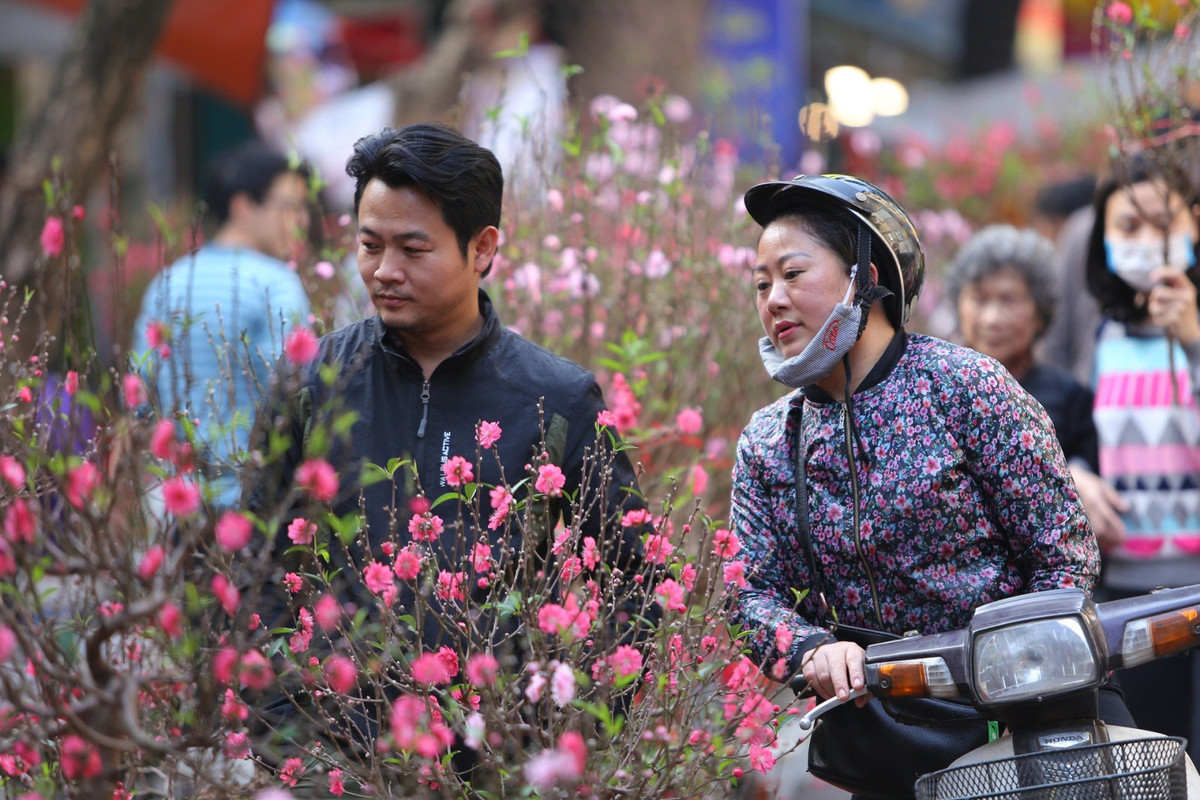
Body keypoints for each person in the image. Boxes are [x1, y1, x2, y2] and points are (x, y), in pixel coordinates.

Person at [244, 122, 646, 760]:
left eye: (413, 248)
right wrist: (283, 726)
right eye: (369, 245)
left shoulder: (557, 400)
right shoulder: (314, 383)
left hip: (497, 759)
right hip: (334, 757)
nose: (384, 271)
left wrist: (572, 728)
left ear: (482, 249)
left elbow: (638, 582)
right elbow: (254, 560)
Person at [728, 174, 1127, 798]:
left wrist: (1020, 671)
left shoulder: (966, 387)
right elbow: (749, 592)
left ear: (865, 277)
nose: (773, 299)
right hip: (881, 741)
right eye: (760, 284)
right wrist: (811, 650)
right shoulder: (767, 440)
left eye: (793, 273)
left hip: (1017, 732)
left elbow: (1063, 552)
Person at [1084, 157, 1200, 761]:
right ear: (1101, 237)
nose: (1142, 240)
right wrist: (1076, 474)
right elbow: (1065, 431)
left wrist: (1195, 342)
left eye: (1161, 222)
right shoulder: (1099, 335)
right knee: (1151, 767)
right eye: (1126, 226)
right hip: (1130, 597)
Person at [131, 140, 313, 509]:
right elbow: (295, 392)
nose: (303, 221)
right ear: (243, 206)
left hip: (173, 499)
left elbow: (137, 395)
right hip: (253, 498)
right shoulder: (276, 282)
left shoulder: (166, 282)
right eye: (291, 207)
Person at [944, 224, 1127, 550]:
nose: (991, 318)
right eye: (979, 299)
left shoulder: (1071, 396)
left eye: (1009, 300)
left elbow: (1092, 473)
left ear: (1040, 313)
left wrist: (1073, 476)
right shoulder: (938, 392)